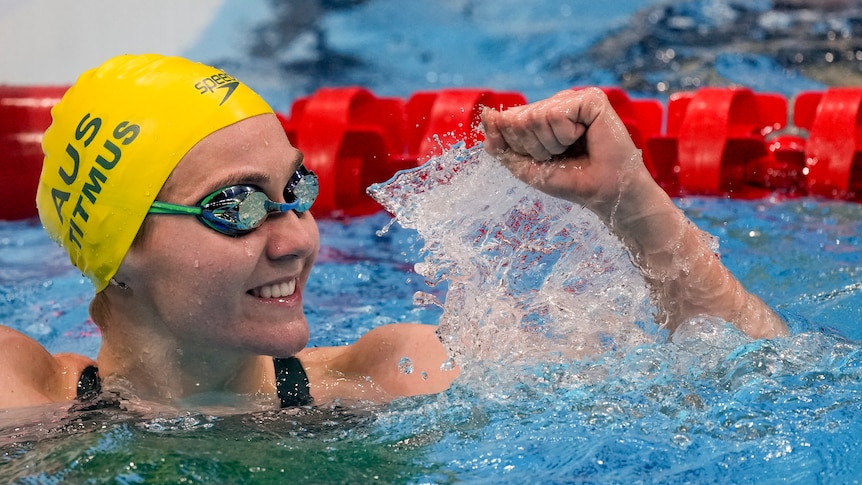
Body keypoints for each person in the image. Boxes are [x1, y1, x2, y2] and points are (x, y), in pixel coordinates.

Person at [0, 54, 788, 411]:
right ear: (117, 254)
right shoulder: (24, 396)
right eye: (235, 206)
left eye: (296, 190)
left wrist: (632, 204)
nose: (297, 237)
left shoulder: (389, 378)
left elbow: (756, 385)